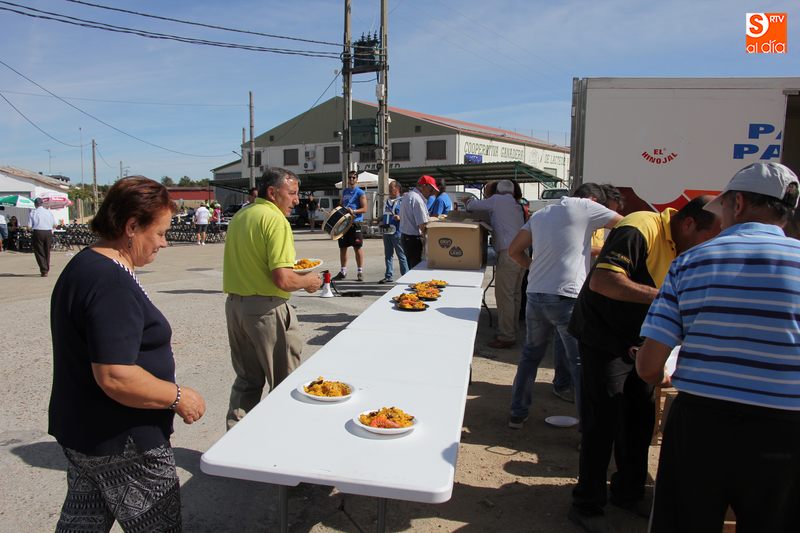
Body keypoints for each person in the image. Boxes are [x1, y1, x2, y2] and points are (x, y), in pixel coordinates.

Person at [636, 162, 800, 533]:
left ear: (737, 203)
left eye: (722, 207)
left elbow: (648, 366)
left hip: (702, 424)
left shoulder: (690, 263)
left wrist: (660, 373)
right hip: (787, 429)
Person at [48, 176, 206, 532]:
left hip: (86, 432)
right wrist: (177, 396)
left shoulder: (87, 264)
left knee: (82, 523)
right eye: (160, 232)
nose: (164, 242)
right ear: (132, 226)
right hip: (124, 441)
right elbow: (116, 375)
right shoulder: (110, 282)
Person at [567, 195, 721, 533]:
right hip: (603, 338)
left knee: (639, 417)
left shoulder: (686, 247)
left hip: (639, 339)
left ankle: (629, 492)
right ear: (689, 224)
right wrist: (667, 298)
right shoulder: (641, 226)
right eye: (708, 239)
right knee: (602, 420)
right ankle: (587, 503)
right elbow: (602, 281)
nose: (710, 248)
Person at [505, 183, 622, 429]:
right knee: (579, 363)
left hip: (536, 293)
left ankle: (517, 413)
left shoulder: (542, 213)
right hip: (567, 297)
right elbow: (629, 225)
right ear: (593, 199)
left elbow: (514, 251)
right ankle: (587, 429)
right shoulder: (586, 206)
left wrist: (535, 267)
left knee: (530, 356)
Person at [223, 167, 322, 430]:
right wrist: (309, 281)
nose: (297, 200)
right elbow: (283, 279)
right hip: (266, 310)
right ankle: (282, 439)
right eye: (292, 193)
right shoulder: (276, 221)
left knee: (247, 381)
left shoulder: (242, 215)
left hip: (235, 306)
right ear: (272, 192)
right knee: (284, 382)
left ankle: (235, 439)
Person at [466, 179, 527, 349]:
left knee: (504, 296)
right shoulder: (515, 203)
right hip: (522, 252)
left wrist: (468, 200)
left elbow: (472, 206)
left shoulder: (497, 200)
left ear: (497, 191)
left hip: (509, 252)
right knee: (515, 294)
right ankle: (511, 330)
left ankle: (506, 336)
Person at [333, 171, 367, 281]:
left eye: (353, 177)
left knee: (357, 247)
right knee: (343, 248)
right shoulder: (345, 191)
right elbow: (341, 204)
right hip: (344, 223)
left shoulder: (360, 192)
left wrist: (354, 211)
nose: (351, 179)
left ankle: (360, 272)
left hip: (355, 222)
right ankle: (343, 271)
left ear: (357, 180)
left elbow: (365, 208)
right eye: (350, 177)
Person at [400, 175, 439, 269]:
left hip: (406, 237)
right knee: (417, 269)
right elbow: (422, 225)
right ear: (424, 186)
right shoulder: (417, 200)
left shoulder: (408, 196)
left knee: (412, 267)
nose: (431, 193)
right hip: (413, 240)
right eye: (431, 190)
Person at [379, 180, 409, 283]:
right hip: (386, 230)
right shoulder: (386, 201)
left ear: (397, 189)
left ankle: (405, 276)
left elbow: (407, 216)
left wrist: (400, 217)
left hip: (397, 232)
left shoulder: (403, 201)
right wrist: (380, 220)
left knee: (401, 255)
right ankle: (388, 276)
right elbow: (385, 215)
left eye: (391, 188)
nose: (389, 190)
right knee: (388, 255)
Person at [29, 197, 56, 276]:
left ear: (35, 204)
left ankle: (44, 270)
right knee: (47, 250)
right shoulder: (48, 212)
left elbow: (29, 226)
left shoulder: (33, 212)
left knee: (39, 251)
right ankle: (47, 268)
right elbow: (54, 224)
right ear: (42, 204)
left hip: (38, 232)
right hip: (48, 232)